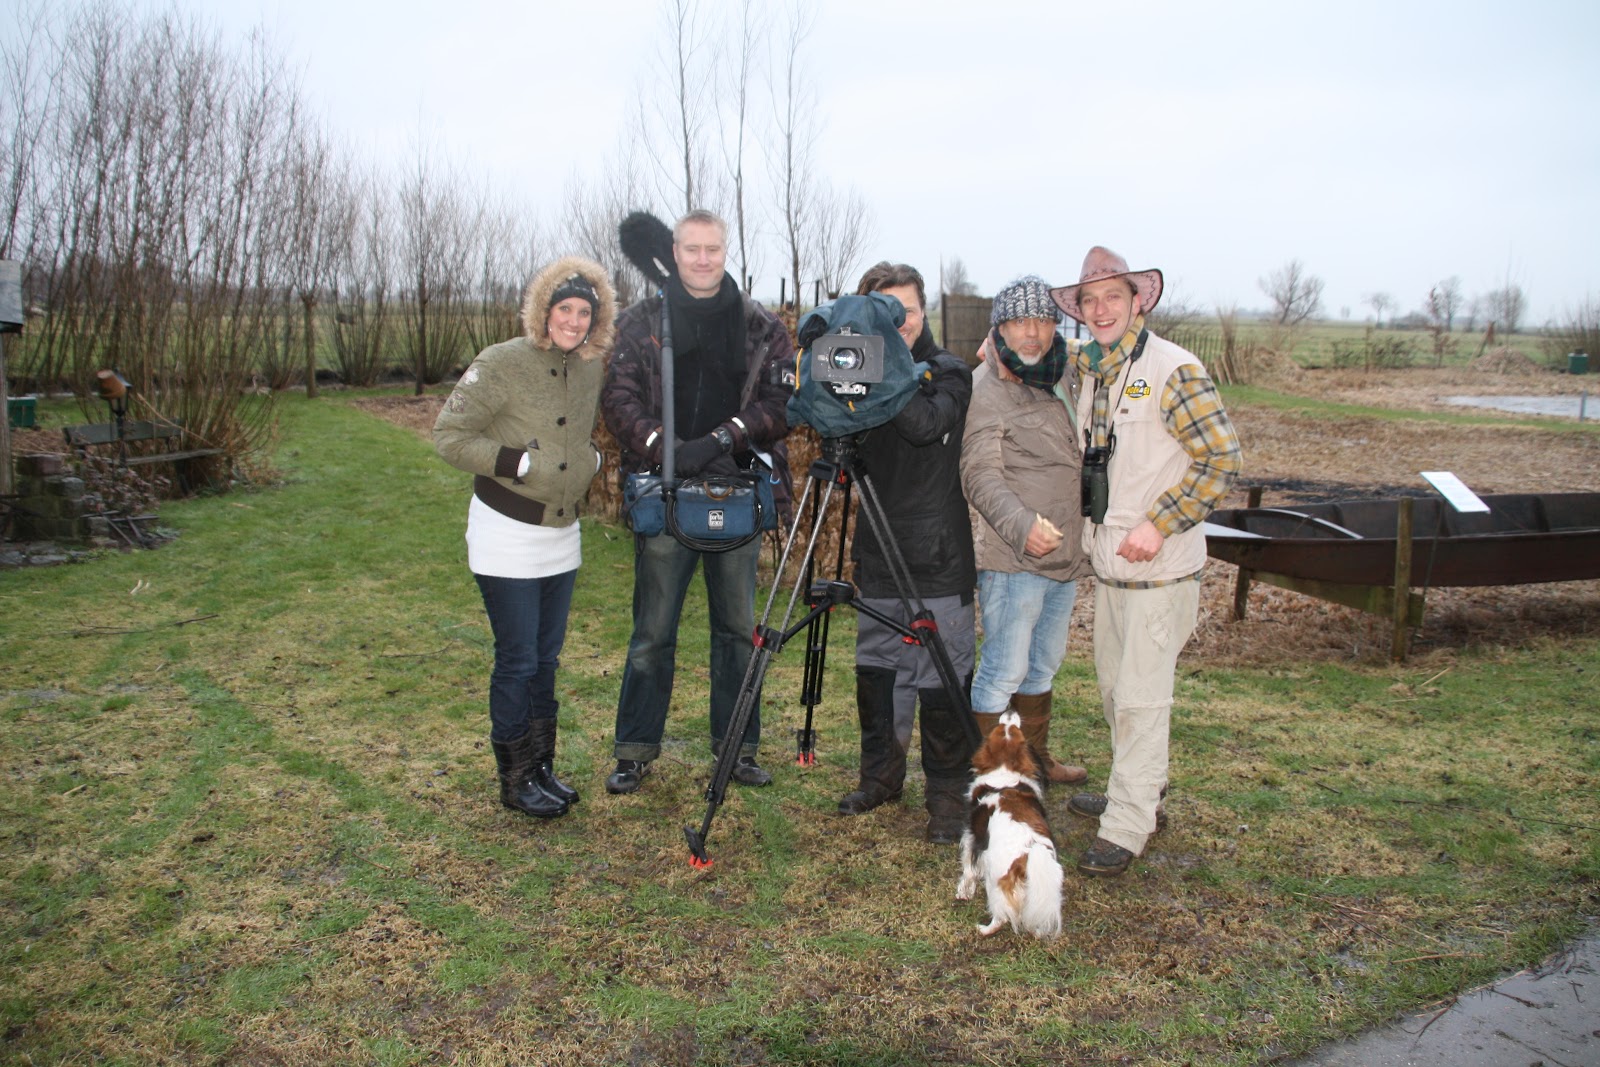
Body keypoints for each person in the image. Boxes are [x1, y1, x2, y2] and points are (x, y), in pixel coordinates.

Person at [1050, 246, 1242, 877]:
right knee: (1114, 693)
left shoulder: (1174, 370)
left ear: (1139, 301)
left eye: (1113, 296)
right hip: (1112, 573)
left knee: (1140, 699)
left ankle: (1129, 824)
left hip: (1159, 571)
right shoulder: (1095, 369)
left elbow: (1220, 460)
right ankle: (1138, 788)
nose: (1101, 309)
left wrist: (1161, 525)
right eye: (1089, 300)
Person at [601, 209, 794, 795]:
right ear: (676, 252)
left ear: (726, 250)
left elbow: (780, 406)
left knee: (737, 630)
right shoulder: (641, 323)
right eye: (692, 249)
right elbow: (618, 399)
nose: (703, 259)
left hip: (735, 491)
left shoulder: (763, 326)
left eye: (713, 248)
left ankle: (737, 749)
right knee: (653, 631)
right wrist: (665, 447)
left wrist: (721, 439)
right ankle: (635, 750)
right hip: (664, 494)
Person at [433, 256, 617, 819]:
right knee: (517, 659)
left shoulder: (590, 368)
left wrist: (591, 460)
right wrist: (513, 461)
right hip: (506, 533)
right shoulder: (502, 362)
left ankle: (542, 767)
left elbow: (582, 433)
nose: (574, 320)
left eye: (585, 311)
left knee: (546, 659)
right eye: (565, 308)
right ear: (544, 310)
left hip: (561, 536)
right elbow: (448, 435)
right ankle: (515, 781)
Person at [836, 261, 977, 844]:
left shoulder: (948, 372)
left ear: (925, 313)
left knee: (943, 676)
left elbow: (923, 424)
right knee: (879, 670)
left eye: (907, 312)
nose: (899, 325)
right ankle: (881, 774)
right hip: (877, 546)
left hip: (937, 551)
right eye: (884, 314)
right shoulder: (858, 372)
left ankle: (947, 793)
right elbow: (837, 444)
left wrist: (879, 370)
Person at [960, 275, 1092, 786]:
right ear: (1000, 329)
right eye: (1018, 322)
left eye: (1041, 319)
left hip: (1065, 558)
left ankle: (1034, 761)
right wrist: (1021, 527)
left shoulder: (1067, 375)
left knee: (1043, 667)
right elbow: (979, 473)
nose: (1031, 333)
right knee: (1002, 670)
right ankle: (994, 777)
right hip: (1016, 559)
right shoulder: (987, 387)